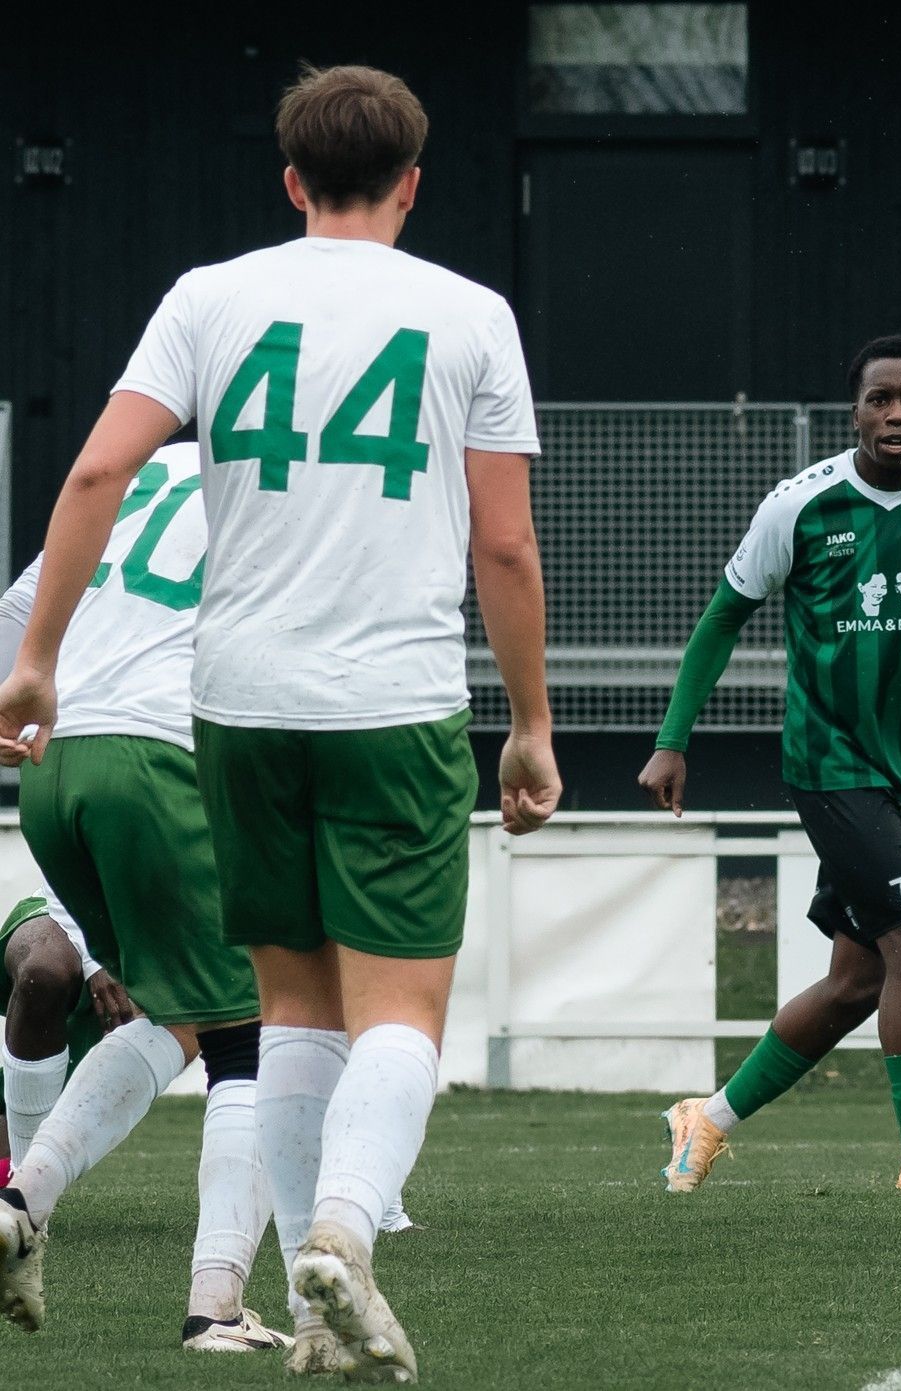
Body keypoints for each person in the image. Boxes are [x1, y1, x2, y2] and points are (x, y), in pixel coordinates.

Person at [0, 65, 560, 1381]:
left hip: (231, 710)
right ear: (416, 182)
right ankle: (341, 1236)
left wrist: (33, 660)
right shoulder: (470, 313)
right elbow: (506, 544)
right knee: (400, 1009)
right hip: (392, 698)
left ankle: (300, 1300)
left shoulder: (210, 298)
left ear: (293, 180)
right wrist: (531, 722)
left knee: (288, 1011)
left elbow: (96, 470)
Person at [641, 335, 901, 1195]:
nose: (896, 414)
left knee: (859, 979)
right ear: (854, 409)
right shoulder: (799, 505)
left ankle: (705, 1119)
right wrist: (673, 738)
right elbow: (721, 618)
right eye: (879, 399)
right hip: (827, 763)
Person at [0, 444, 289, 1351]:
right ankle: (216, 1307)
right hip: (161, 760)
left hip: (58, 764)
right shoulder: (294, 474)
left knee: (174, 1016)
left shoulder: (154, 463)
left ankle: (19, 1203)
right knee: (259, 1039)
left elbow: (21, 606)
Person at [1, 890, 131, 1190]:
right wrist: (94, 960)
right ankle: (24, 1187)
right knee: (43, 972)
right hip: (73, 909)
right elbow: (61, 869)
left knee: (238, 1039)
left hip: (183, 928)